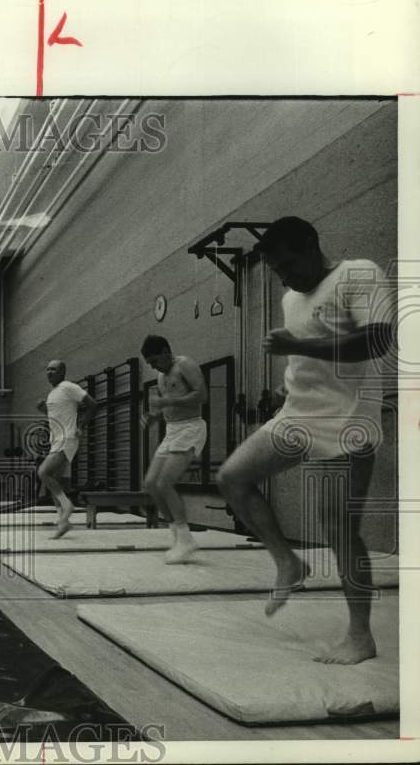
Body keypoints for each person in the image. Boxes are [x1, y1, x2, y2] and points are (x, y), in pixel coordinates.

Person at [216, 216, 394, 665]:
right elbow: (303, 353)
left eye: (290, 265)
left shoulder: (358, 273)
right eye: (278, 271)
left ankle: (360, 637)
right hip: (297, 413)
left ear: (312, 246)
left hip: (348, 420)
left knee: (338, 529)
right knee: (233, 477)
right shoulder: (289, 297)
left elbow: (377, 340)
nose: (286, 277)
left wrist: (302, 348)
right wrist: (284, 386)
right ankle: (289, 563)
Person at [140, 335, 208, 563]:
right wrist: (154, 417)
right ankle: (178, 536)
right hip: (172, 430)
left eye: (155, 360)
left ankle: (186, 537)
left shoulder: (185, 364)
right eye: (149, 363)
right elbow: (169, 406)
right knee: (151, 483)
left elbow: (201, 395)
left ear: (166, 351)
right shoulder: (161, 377)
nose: (153, 366)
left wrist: (167, 403)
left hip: (191, 428)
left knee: (165, 482)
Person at [36, 360, 97, 539]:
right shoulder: (53, 393)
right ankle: (63, 522)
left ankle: (67, 506)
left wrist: (82, 426)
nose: (49, 372)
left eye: (53, 369)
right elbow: (58, 416)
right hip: (56, 440)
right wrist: (43, 410)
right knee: (55, 479)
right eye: (47, 369)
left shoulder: (69, 387)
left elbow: (93, 404)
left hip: (67, 438)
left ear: (62, 371)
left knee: (43, 472)